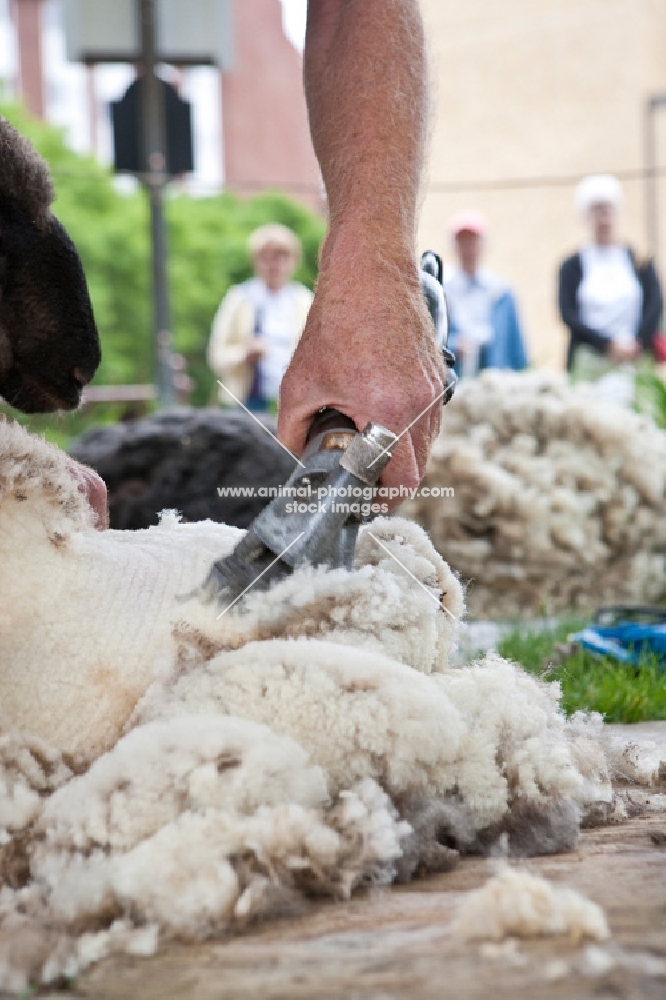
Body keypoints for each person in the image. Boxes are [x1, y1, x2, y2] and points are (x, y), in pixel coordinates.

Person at [558, 174, 663, 393]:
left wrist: (636, 343)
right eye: (596, 210)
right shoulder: (572, 266)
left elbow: (655, 304)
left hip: (635, 359)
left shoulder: (639, 261)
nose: (603, 217)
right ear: (586, 215)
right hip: (590, 362)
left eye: (607, 209)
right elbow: (568, 314)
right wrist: (607, 345)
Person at [208, 224, 313, 413]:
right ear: (255, 260)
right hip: (247, 402)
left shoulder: (305, 301)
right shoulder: (239, 298)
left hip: (294, 403)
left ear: (294, 260)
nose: (274, 264)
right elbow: (216, 355)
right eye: (267, 256)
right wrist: (245, 353)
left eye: (282, 256)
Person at [442, 211, 528, 379]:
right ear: (453, 246)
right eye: (462, 242)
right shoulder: (442, 291)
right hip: (453, 383)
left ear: (483, 245)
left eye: (473, 242)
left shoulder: (502, 292)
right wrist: (454, 346)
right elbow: (431, 343)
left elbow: (517, 348)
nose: (468, 249)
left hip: (495, 383)